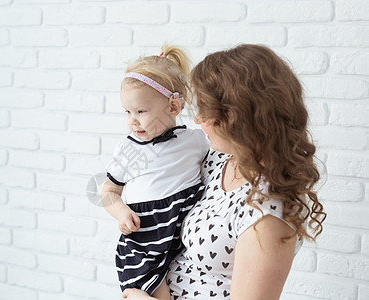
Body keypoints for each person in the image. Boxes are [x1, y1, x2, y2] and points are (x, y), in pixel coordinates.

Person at [122, 44, 326, 299]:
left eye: (206, 111)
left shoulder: (269, 215)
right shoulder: (218, 162)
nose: (197, 120)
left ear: (239, 117)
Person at [101, 43, 210, 299]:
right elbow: (108, 190)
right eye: (127, 112)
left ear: (173, 107)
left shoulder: (194, 141)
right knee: (153, 292)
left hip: (182, 231)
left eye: (141, 111)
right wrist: (122, 213)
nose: (132, 120)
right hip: (146, 237)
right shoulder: (131, 150)